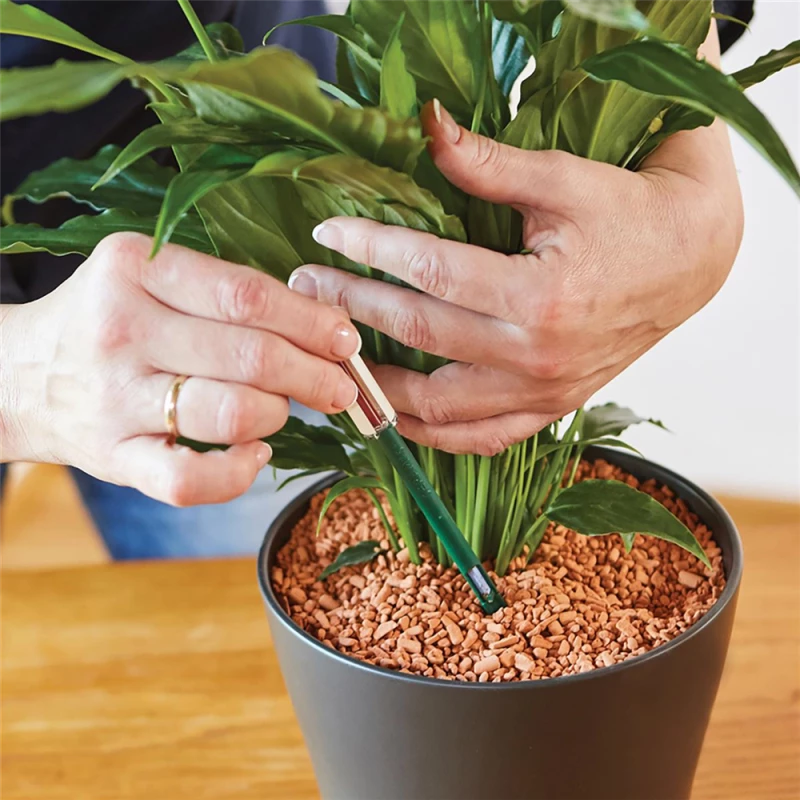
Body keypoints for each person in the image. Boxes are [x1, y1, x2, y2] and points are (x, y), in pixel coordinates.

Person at [0, 1, 753, 558]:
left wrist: (691, 160)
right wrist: (22, 380)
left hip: (255, 245)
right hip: (116, 283)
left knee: (243, 647)